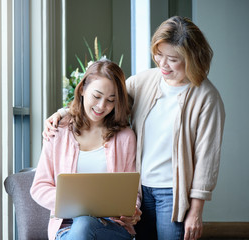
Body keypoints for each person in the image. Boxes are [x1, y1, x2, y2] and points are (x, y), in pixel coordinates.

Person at [43, 16, 225, 240]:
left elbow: (207, 159)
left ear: (192, 57)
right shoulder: (145, 80)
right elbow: (103, 98)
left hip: (172, 192)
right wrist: (64, 113)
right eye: (159, 55)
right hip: (140, 187)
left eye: (173, 59)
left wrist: (196, 211)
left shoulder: (207, 97)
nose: (163, 65)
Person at [30, 59, 142, 240]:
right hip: (67, 229)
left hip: (111, 228)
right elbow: (39, 188)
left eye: (110, 100)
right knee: (82, 224)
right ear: (82, 89)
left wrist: (131, 211)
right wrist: (78, 205)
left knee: (85, 224)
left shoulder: (125, 137)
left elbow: (132, 192)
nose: (101, 106)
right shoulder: (58, 131)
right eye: (96, 96)